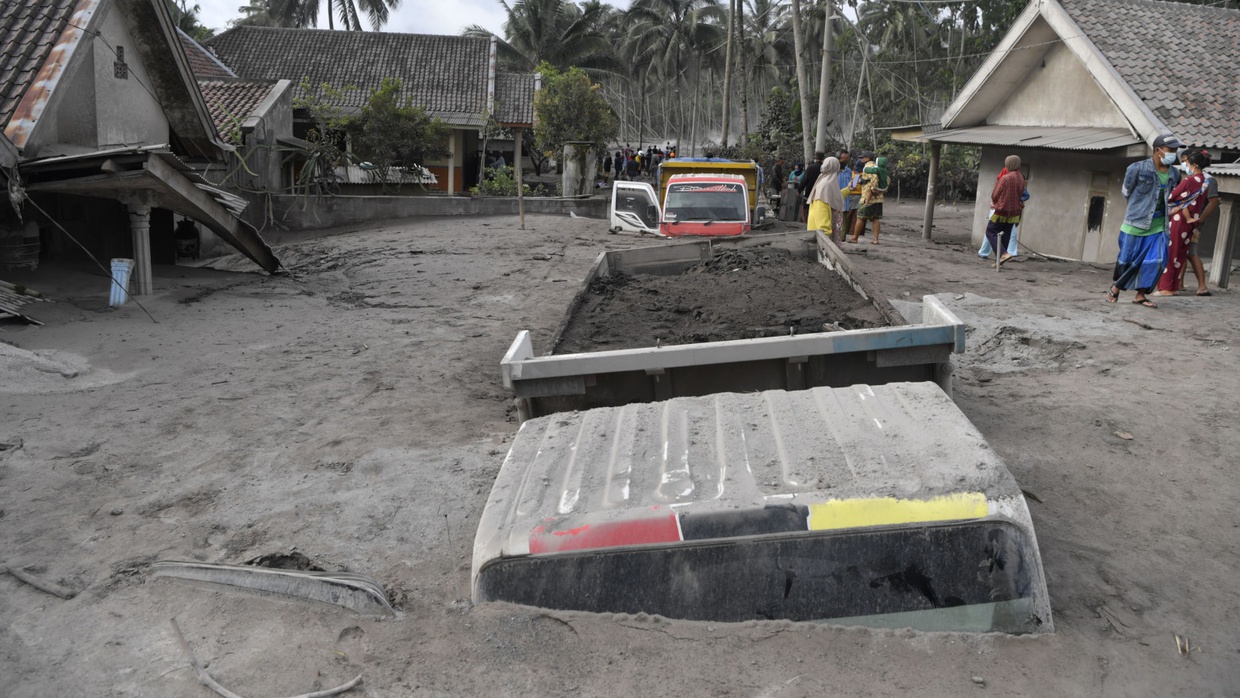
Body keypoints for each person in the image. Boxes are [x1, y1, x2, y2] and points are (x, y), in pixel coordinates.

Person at [1107, 134, 1183, 308]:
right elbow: (1126, 192)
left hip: (1159, 226)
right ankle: (1116, 286)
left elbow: (1172, 197)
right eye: (1170, 150)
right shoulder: (1137, 169)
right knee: (1127, 261)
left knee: (1157, 261)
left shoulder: (1175, 173)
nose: (1173, 153)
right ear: (1158, 151)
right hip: (1135, 223)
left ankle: (1140, 295)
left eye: (1175, 150)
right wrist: (1139, 209)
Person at [1155, 150, 1211, 296]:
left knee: (1170, 253)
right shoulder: (1205, 182)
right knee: (1180, 255)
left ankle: (1166, 288)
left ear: (1194, 165)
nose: (1185, 166)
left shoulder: (1189, 180)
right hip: (1191, 222)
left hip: (1179, 220)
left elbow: (1171, 197)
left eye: (1186, 163)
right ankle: (1174, 286)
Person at [979, 155, 1026, 266]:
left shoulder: (1005, 178)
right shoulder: (1021, 177)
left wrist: (995, 201)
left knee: (990, 231)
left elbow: (995, 195)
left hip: (1002, 211)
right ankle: (1000, 260)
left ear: (1008, 164)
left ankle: (1003, 254)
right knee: (1005, 234)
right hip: (1015, 212)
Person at [848, 155, 889, 243]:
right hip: (877, 198)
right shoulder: (879, 168)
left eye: (862, 158)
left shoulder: (859, 172)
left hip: (862, 197)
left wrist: (870, 188)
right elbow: (886, 180)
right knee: (875, 218)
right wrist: (882, 190)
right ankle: (875, 239)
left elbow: (854, 186)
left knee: (860, 217)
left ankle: (855, 237)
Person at [807, 157, 846, 241]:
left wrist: (848, 189)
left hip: (824, 234)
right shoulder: (826, 185)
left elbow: (834, 196)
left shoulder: (827, 181)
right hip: (823, 237)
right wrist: (826, 238)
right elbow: (821, 212)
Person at [798, 152, 825, 222]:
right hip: (821, 192)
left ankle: (807, 222)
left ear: (815, 157)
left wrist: (799, 190)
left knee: (805, 207)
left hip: (809, 191)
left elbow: (804, 180)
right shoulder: (825, 168)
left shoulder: (811, 167)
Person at [836, 150, 856, 235]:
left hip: (845, 202)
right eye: (843, 160)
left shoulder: (849, 171)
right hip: (835, 201)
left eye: (847, 160)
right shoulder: (833, 172)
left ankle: (842, 240)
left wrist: (854, 183)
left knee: (843, 223)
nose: (845, 162)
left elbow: (853, 184)